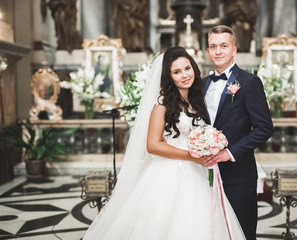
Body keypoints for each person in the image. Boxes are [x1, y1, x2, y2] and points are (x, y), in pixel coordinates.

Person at [83, 46, 246, 239]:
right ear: (169, 77)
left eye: (187, 68)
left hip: (198, 173)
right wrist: (191, 156)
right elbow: (152, 145)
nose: (185, 75)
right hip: (170, 173)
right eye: (176, 72)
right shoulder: (162, 105)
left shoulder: (196, 101)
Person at [204, 25, 273, 240]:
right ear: (207, 51)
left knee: (241, 232)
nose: (218, 51)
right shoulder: (201, 84)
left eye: (223, 46)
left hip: (239, 173)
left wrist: (230, 152)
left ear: (234, 50)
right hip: (204, 174)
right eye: (213, 46)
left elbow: (264, 128)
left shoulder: (249, 82)